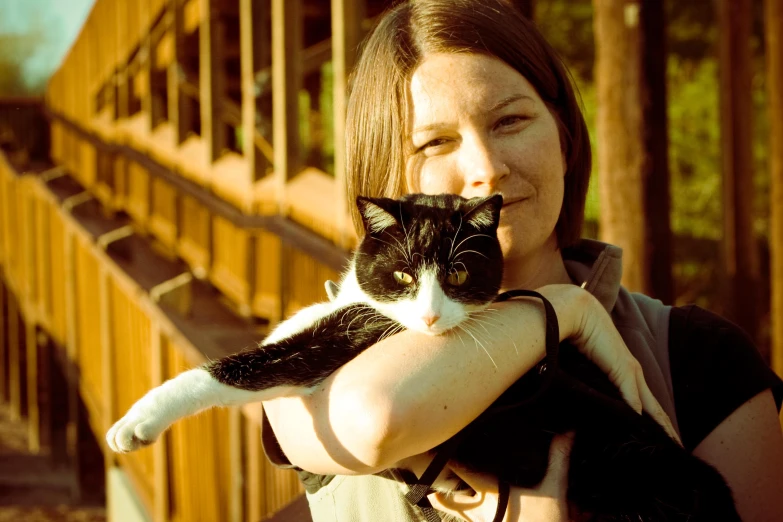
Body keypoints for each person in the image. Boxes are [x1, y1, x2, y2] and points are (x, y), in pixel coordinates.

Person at [260, 1, 783, 520]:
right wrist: (558, 311)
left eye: (510, 120)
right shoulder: (306, 365)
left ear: (565, 135)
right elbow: (374, 417)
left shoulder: (701, 359)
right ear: (381, 179)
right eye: (437, 142)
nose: (487, 168)